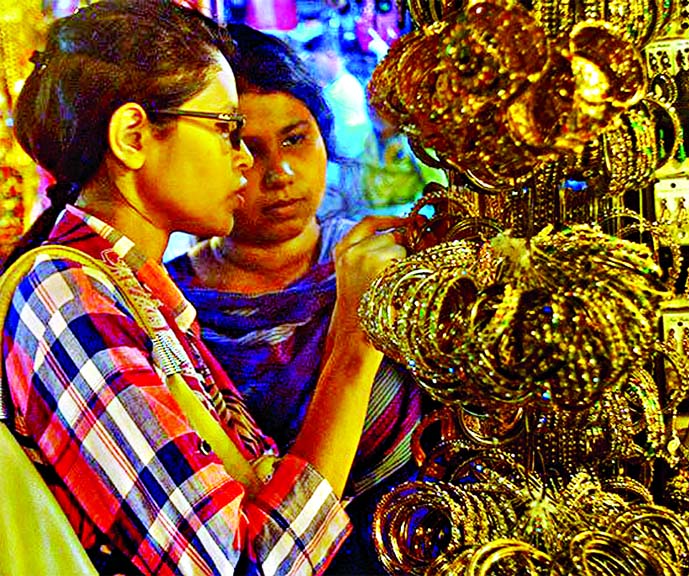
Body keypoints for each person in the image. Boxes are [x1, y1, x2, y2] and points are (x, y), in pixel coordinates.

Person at [4, 1, 405, 574]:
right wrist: (353, 347)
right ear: (134, 137)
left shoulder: (139, 290)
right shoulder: (66, 295)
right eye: (226, 130)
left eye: (294, 139)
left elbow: (257, 485)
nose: (245, 162)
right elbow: (243, 564)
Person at [165, 24, 422, 575]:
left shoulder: (381, 264)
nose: (279, 173)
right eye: (249, 149)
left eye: (295, 138)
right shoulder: (167, 304)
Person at [301, 30, 375, 221]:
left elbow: (351, 139)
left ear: (330, 56)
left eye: (314, 60)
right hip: (348, 168)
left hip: (355, 169)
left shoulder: (345, 89)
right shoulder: (336, 87)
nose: (311, 65)